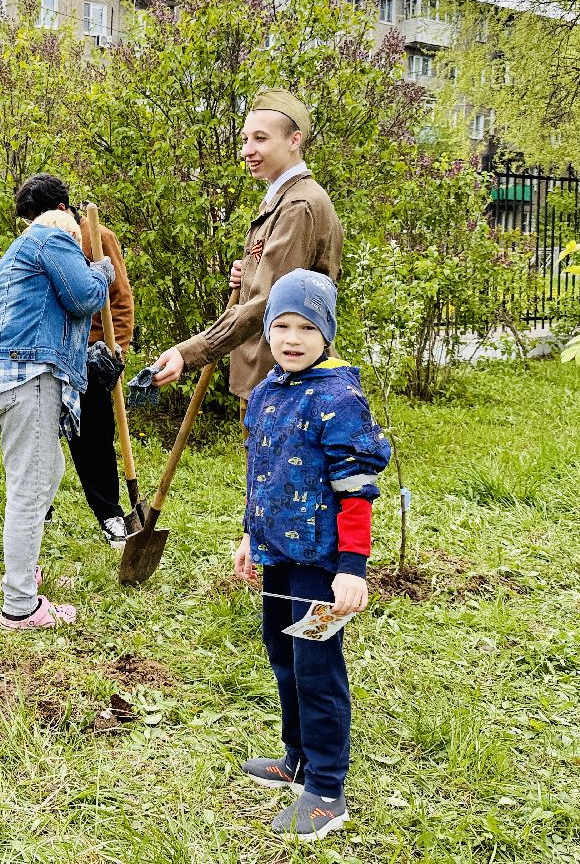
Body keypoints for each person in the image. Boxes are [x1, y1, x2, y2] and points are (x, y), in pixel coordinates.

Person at [233, 270, 391, 841]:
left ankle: (326, 788)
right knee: (283, 655)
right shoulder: (270, 391)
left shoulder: (339, 399)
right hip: (277, 554)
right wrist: (251, 536)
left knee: (317, 670)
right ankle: (296, 758)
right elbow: (263, 476)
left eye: (306, 326)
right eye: (280, 325)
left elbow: (355, 493)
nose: (292, 338)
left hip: (320, 565)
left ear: (326, 332)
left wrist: (352, 569)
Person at [0, 173, 136, 546]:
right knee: (39, 441)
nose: (30, 226)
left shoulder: (98, 238)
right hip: (43, 358)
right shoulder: (36, 237)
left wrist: (114, 346)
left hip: (87, 355)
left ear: (59, 208)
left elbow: (118, 299)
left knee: (94, 439)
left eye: (34, 216)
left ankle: (110, 515)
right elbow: (9, 283)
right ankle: (37, 512)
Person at [149, 90, 342, 417]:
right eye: (245, 139)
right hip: (270, 376)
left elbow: (270, 302)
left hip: (283, 381)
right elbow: (284, 275)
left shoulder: (299, 205)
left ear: (294, 140)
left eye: (260, 139)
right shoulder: (282, 197)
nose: (247, 150)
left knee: (274, 469)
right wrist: (252, 269)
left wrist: (190, 353)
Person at [0, 205, 113, 630]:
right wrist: (102, 269)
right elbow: (85, 295)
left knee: (47, 470)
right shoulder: (52, 239)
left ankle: (24, 569)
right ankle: (19, 606)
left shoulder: (20, 256)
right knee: (30, 487)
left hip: (5, 379)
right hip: (28, 375)